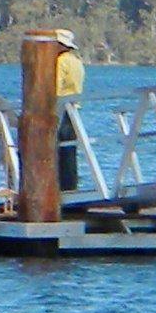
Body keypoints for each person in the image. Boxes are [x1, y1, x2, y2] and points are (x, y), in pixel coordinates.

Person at [50, 29, 88, 193]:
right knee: (69, 150)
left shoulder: (61, 61)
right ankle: (70, 186)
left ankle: (61, 188)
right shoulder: (76, 61)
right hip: (74, 108)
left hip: (61, 107)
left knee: (58, 148)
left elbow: (55, 87)